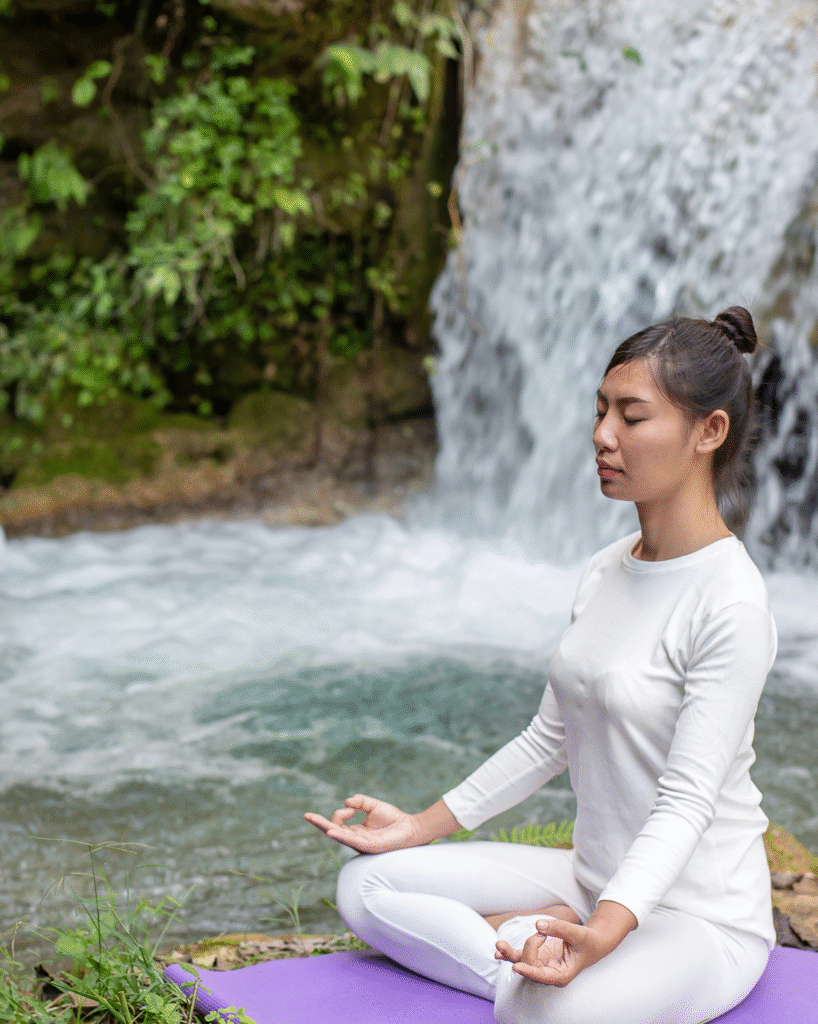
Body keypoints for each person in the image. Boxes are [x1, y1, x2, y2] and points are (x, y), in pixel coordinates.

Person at [304, 307, 777, 1024]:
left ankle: (527, 944)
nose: (603, 435)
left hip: (699, 917)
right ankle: (531, 939)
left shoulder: (730, 601)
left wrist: (603, 934)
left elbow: (686, 802)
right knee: (367, 885)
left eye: (632, 416)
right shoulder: (605, 569)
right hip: (589, 879)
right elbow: (548, 739)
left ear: (709, 431)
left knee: (542, 1011)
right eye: (600, 411)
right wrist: (419, 826)